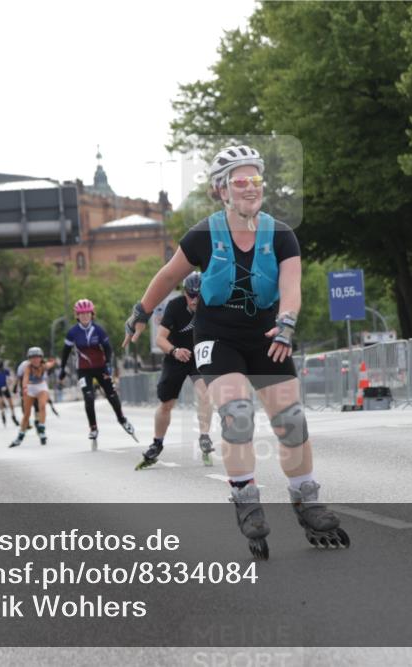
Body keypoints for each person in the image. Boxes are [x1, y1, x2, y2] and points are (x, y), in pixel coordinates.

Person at [124, 144, 348, 559]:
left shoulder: (281, 234)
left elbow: (291, 287)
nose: (250, 188)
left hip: (267, 334)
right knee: (238, 414)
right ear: (221, 190)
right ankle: (246, 499)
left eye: (256, 180)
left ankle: (307, 499)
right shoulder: (203, 234)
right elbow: (169, 275)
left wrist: (286, 325)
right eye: (239, 181)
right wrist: (140, 312)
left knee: (292, 420)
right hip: (217, 336)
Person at [136, 271, 215, 469]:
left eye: (199, 295)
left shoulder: (211, 306)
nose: (194, 300)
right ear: (184, 292)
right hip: (176, 356)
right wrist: (174, 350)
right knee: (166, 404)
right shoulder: (175, 306)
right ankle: (157, 443)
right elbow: (160, 339)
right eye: (190, 295)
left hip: (199, 355)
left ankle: (204, 436)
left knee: (205, 394)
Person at [60, 299, 135, 447]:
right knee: (88, 397)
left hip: (101, 367)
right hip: (83, 370)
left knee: (111, 395)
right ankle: (93, 428)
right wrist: (62, 369)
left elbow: (108, 349)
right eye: (81, 314)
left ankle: (122, 419)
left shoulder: (99, 330)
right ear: (77, 315)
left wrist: (108, 365)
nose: (85, 316)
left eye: (87, 313)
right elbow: (65, 351)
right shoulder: (73, 332)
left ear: (92, 314)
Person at [10, 347, 57, 448]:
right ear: (29, 358)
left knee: (42, 406)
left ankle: (41, 428)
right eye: (32, 358)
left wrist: (53, 361)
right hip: (30, 387)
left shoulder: (44, 365)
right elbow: (24, 377)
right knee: (26, 414)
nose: (35, 360)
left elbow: (50, 364)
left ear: (41, 358)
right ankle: (20, 436)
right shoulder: (25, 366)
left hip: (41, 386)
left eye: (37, 357)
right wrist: (24, 388)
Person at [0, 361, 16, 426]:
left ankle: (13, 415)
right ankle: (3, 414)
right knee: (1, 401)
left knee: (10, 402)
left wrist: (8, 386)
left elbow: (10, 379)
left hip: (4, 387)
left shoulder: (6, 371)